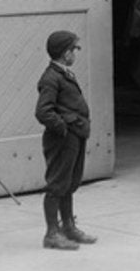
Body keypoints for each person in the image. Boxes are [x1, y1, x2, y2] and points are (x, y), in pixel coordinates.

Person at [35, 31, 96, 251]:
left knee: (69, 183)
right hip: (63, 138)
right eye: (74, 49)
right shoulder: (51, 78)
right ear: (65, 52)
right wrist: (63, 127)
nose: (75, 54)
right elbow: (43, 112)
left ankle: (68, 227)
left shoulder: (64, 74)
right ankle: (51, 234)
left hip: (75, 135)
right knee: (57, 185)